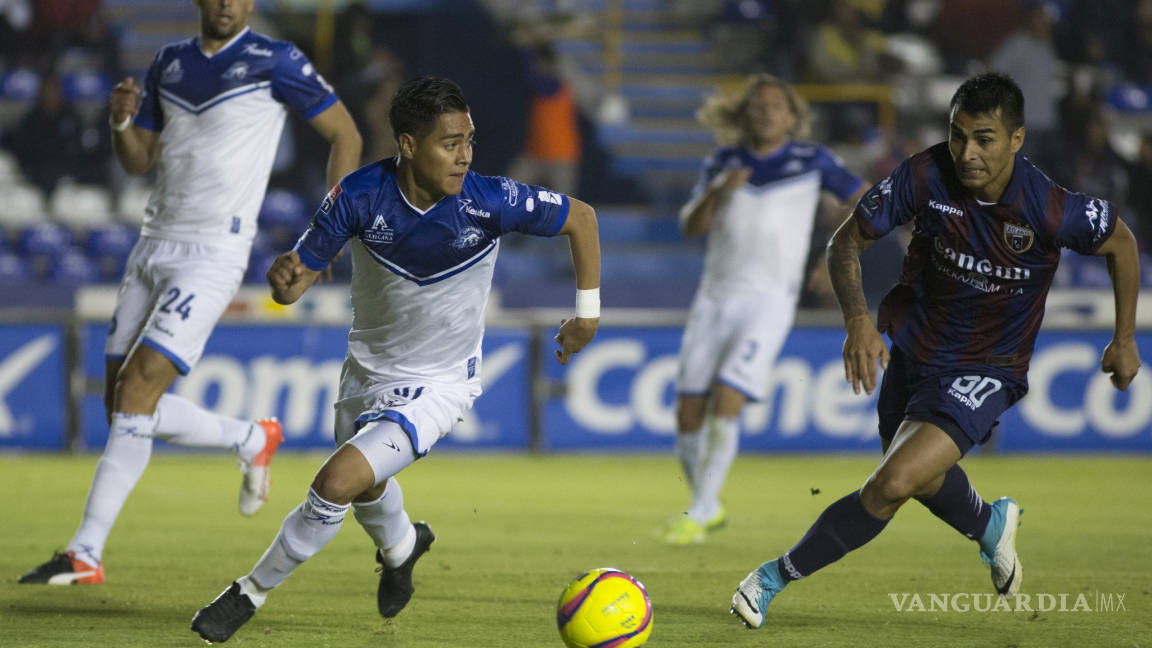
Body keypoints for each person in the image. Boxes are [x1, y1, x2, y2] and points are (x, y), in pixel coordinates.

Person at [189, 76, 600, 643]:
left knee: (336, 480)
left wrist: (587, 314)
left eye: (470, 141)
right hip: (365, 372)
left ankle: (247, 592)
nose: (465, 157)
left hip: (440, 383)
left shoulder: (491, 201)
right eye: (449, 143)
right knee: (365, 489)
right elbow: (295, 283)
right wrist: (283, 281)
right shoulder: (358, 196)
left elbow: (581, 217)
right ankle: (404, 546)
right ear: (408, 144)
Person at [731, 72, 1142, 629]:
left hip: (988, 367)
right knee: (918, 480)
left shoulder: (1049, 208)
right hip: (914, 351)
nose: (967, 153)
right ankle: (988, 525)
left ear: (1016, 139)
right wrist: (857, 321)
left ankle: (772, 577)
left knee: (892, 483)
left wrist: (1123, 339)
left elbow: (1120, 242)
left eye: (984, 139)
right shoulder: (925, 175)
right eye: (958, 135)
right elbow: (846, 239)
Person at [18, 0, 362, 586]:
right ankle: (251, 437)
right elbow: (138, 161)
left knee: (137, 392)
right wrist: (122, 123)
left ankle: (85, 552)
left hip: (214, 251)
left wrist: (324, 238)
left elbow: (345, 134)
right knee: (123, 408)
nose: (227, 4)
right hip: (152, 245)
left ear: (250, 3)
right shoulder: (167, 63)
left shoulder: (273, 60)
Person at [663, 74, 866, 545]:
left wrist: (834, 256)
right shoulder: (723, 162)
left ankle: (696, 514)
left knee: (727, 400)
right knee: (688, 412)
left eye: (776, 105)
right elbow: (690, 226)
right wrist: (719, 191)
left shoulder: (813, 161)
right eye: (757, 105)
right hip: (714, 298)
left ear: (793, 116)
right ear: (744, 114)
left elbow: (868, 201)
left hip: (769, 300)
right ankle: (708, 505)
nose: (766, 112)